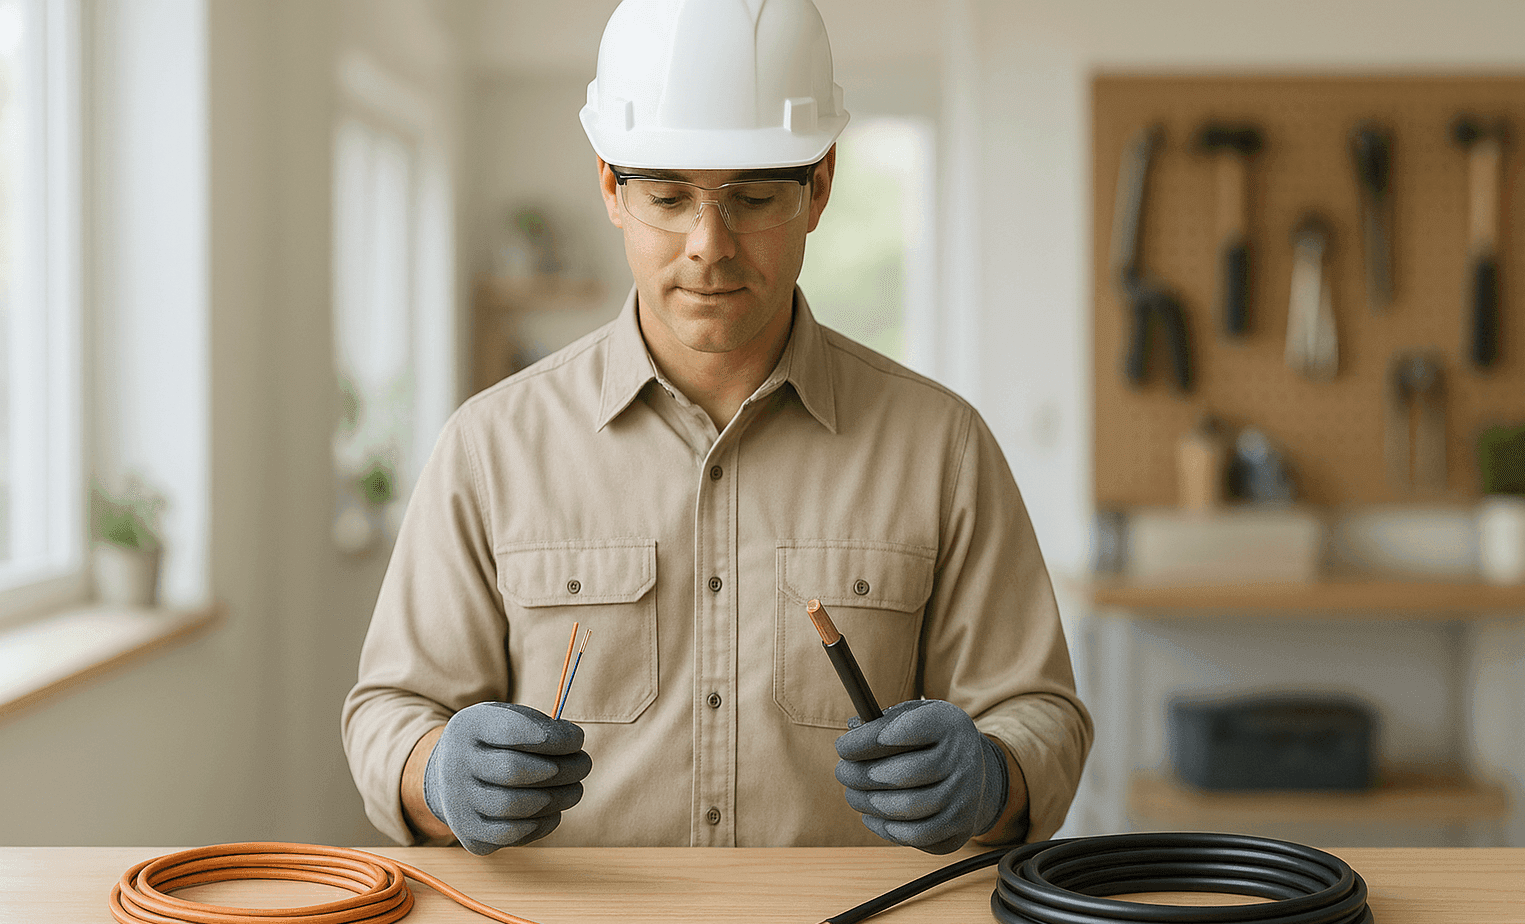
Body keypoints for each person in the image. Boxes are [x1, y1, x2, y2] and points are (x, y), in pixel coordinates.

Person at [342, 0, 1091, 856]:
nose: (709, 244)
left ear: (819, 187)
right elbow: (387, 711)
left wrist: (996, 774)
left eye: (753, 197)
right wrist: (435, 772)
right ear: (609, 190)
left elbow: (1044, 714)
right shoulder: (490, 446)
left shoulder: (942, 448)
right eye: (667, 197)